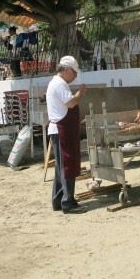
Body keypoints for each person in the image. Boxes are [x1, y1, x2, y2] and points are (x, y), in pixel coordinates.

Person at [46, 55, 88, 214]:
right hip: (61, 130)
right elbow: (71, 103)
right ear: (66, 70)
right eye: (74, 72)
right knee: (67, 166)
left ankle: (58, 200)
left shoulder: (57, 83)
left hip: (61, 130)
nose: (75, 76)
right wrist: (80, 93)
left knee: (60, 167)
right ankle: (67, 202)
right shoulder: (59, 84)